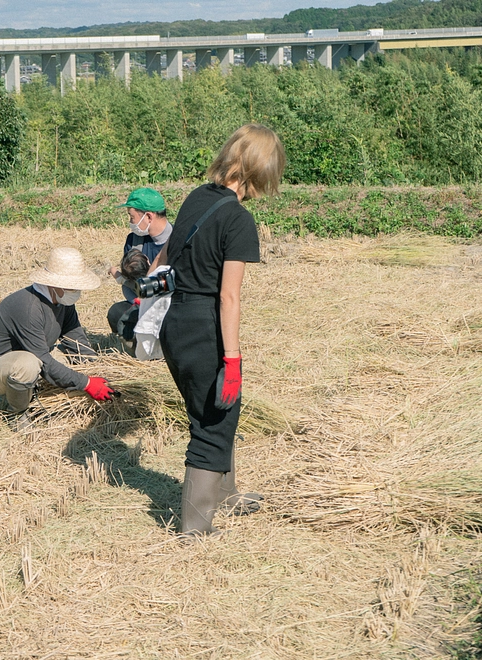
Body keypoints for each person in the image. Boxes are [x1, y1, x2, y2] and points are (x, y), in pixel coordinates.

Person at [149, 124, 286, 538]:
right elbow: (229, 298)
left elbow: (166, 253)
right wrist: (233, 359)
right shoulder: (238, 220)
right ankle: (195, 528)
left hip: (175, 323)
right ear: (257, 171)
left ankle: (224, 495)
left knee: (216, 411)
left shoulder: (196, 197)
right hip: (205, 328)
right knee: (212, 422)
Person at [0, 247, 116, 428]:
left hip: (34, 354)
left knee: (66, 357)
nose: (77, 291)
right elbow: (42, 360)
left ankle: (34, 391)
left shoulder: (62, 301)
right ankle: (17, 412)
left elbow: (76, 340)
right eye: (73, 286)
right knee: (28, 364)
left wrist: (98, 371)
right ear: (55, 284)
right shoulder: (28, 306)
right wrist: (85, 383)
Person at [107, 188, 172, 349]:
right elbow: (130, 281)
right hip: (141, 304)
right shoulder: (134, 241)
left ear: (148, 216)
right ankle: (139, 347)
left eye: (132, 217)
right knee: (116, 313)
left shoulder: (178, 241)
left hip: (171, 308)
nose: (131, 222)